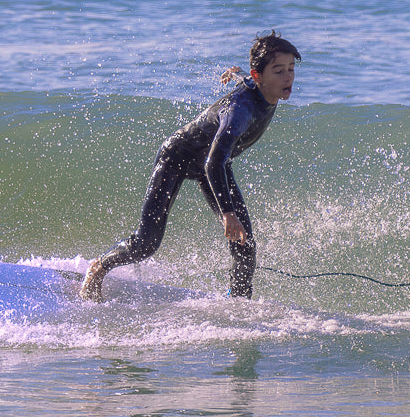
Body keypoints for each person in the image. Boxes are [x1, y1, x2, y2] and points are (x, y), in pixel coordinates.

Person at [79, 32, 300, 301]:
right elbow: (214, 161)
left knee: (246, 246)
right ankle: (99, 267)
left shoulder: (263, 86)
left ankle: (238, 300)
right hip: (178, 158)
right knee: (146, 242)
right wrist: (227, 213)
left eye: (290, 69)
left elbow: (247, 80)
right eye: (279, 71)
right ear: (259, 76)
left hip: (212, 163)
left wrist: (235, 71)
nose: (287, 77)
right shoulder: (239, 112)